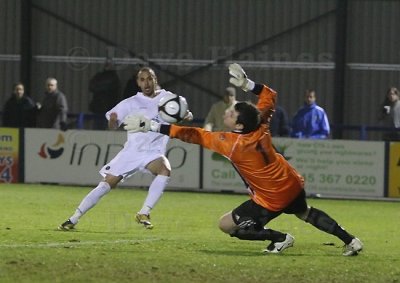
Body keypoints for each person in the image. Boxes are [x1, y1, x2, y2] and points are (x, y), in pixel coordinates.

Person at [124, 63, 363, 256]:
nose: (227, 112)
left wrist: (152, 124)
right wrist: (248, 84)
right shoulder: (262, 124)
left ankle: (280, 238)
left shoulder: (232, 144)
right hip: (291, 183)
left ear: (238, 125)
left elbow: (192, 134)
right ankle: (351, 240)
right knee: (305, 213)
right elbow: (270, 95)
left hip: (271, 197)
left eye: (230, 113)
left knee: (228, 226)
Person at [58, 66, 192, 231]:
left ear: (155, 79)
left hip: (153, 152)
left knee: (165, 169)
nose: (146, 83)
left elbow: (185, 114)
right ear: (138, 82)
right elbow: (113, 125)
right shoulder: (130, 103)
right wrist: (113, 121)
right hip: (132, 152)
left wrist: (186, 116)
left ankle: (144, 213)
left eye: (149, 78)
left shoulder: (168, 98)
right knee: (106, 184)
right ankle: (74, 218)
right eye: (142, 80)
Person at [89, 59, 121, 129]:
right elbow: (91, 86)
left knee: (105, 128)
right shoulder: (99, 75)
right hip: (98, 107)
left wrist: (99, 87)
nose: (107, 65)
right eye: (107, 64)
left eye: (109, 64)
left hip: (108, 107)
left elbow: (108, 88)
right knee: (97, 127)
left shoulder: (113, 77)